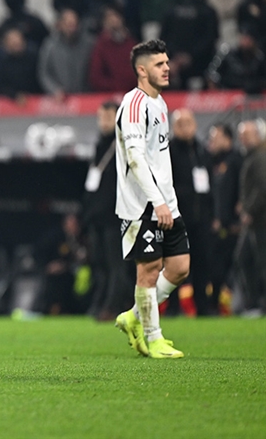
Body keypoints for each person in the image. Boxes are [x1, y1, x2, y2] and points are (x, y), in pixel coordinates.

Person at [114, 39, 188, 359]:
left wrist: (167, 200)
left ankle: (133, 316)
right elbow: (135, 158)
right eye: (160, 64)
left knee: (180, 267)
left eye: (167, 62)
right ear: (142, 71)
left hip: (165, 201)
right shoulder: (134, 104)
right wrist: (156, 201)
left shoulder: (160, 103)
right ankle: (153, 337)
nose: (167, 68)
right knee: (149, 269)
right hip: (141, 204)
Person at [82, 101, 131, 321]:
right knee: (100, 264)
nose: (104, 122)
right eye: (101, 117)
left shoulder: (124, 147)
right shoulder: (99, 145)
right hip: (97, 217)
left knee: (116, 265)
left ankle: (112, 306)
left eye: (109, 117)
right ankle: (101, 303)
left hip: (115, 216)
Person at [168, 109, 214, 315]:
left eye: (188, 123)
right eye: (180, 124)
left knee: (202, 262)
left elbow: (211, 185)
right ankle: (173, 307)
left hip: (201, 217)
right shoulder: (168, 152)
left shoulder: (202, 151)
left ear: (195, 125)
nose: (185, 128)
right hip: (178, 217)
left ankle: (202, 306)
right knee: (175, 263)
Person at [207, 124, 242, 314]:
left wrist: (237, 219)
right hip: (219, 226)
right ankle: (215, 304)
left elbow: (240, 191)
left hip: (234, 227)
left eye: (216, 137)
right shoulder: (213, 162)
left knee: (237, 266)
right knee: (216, 267)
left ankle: (242, 304)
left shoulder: (236, 160)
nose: (211, 141)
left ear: (227, 138)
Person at [237, 120, 266, 316]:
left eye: (247, 135)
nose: (244, 139)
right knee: (245, 259)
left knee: (255, 260)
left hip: (260, 220)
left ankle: (257, 304)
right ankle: (255, 304)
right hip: (256, 220)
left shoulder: (260, 157)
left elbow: (262, 187)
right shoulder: (253, 157)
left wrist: (249, 210)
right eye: (242, 136)